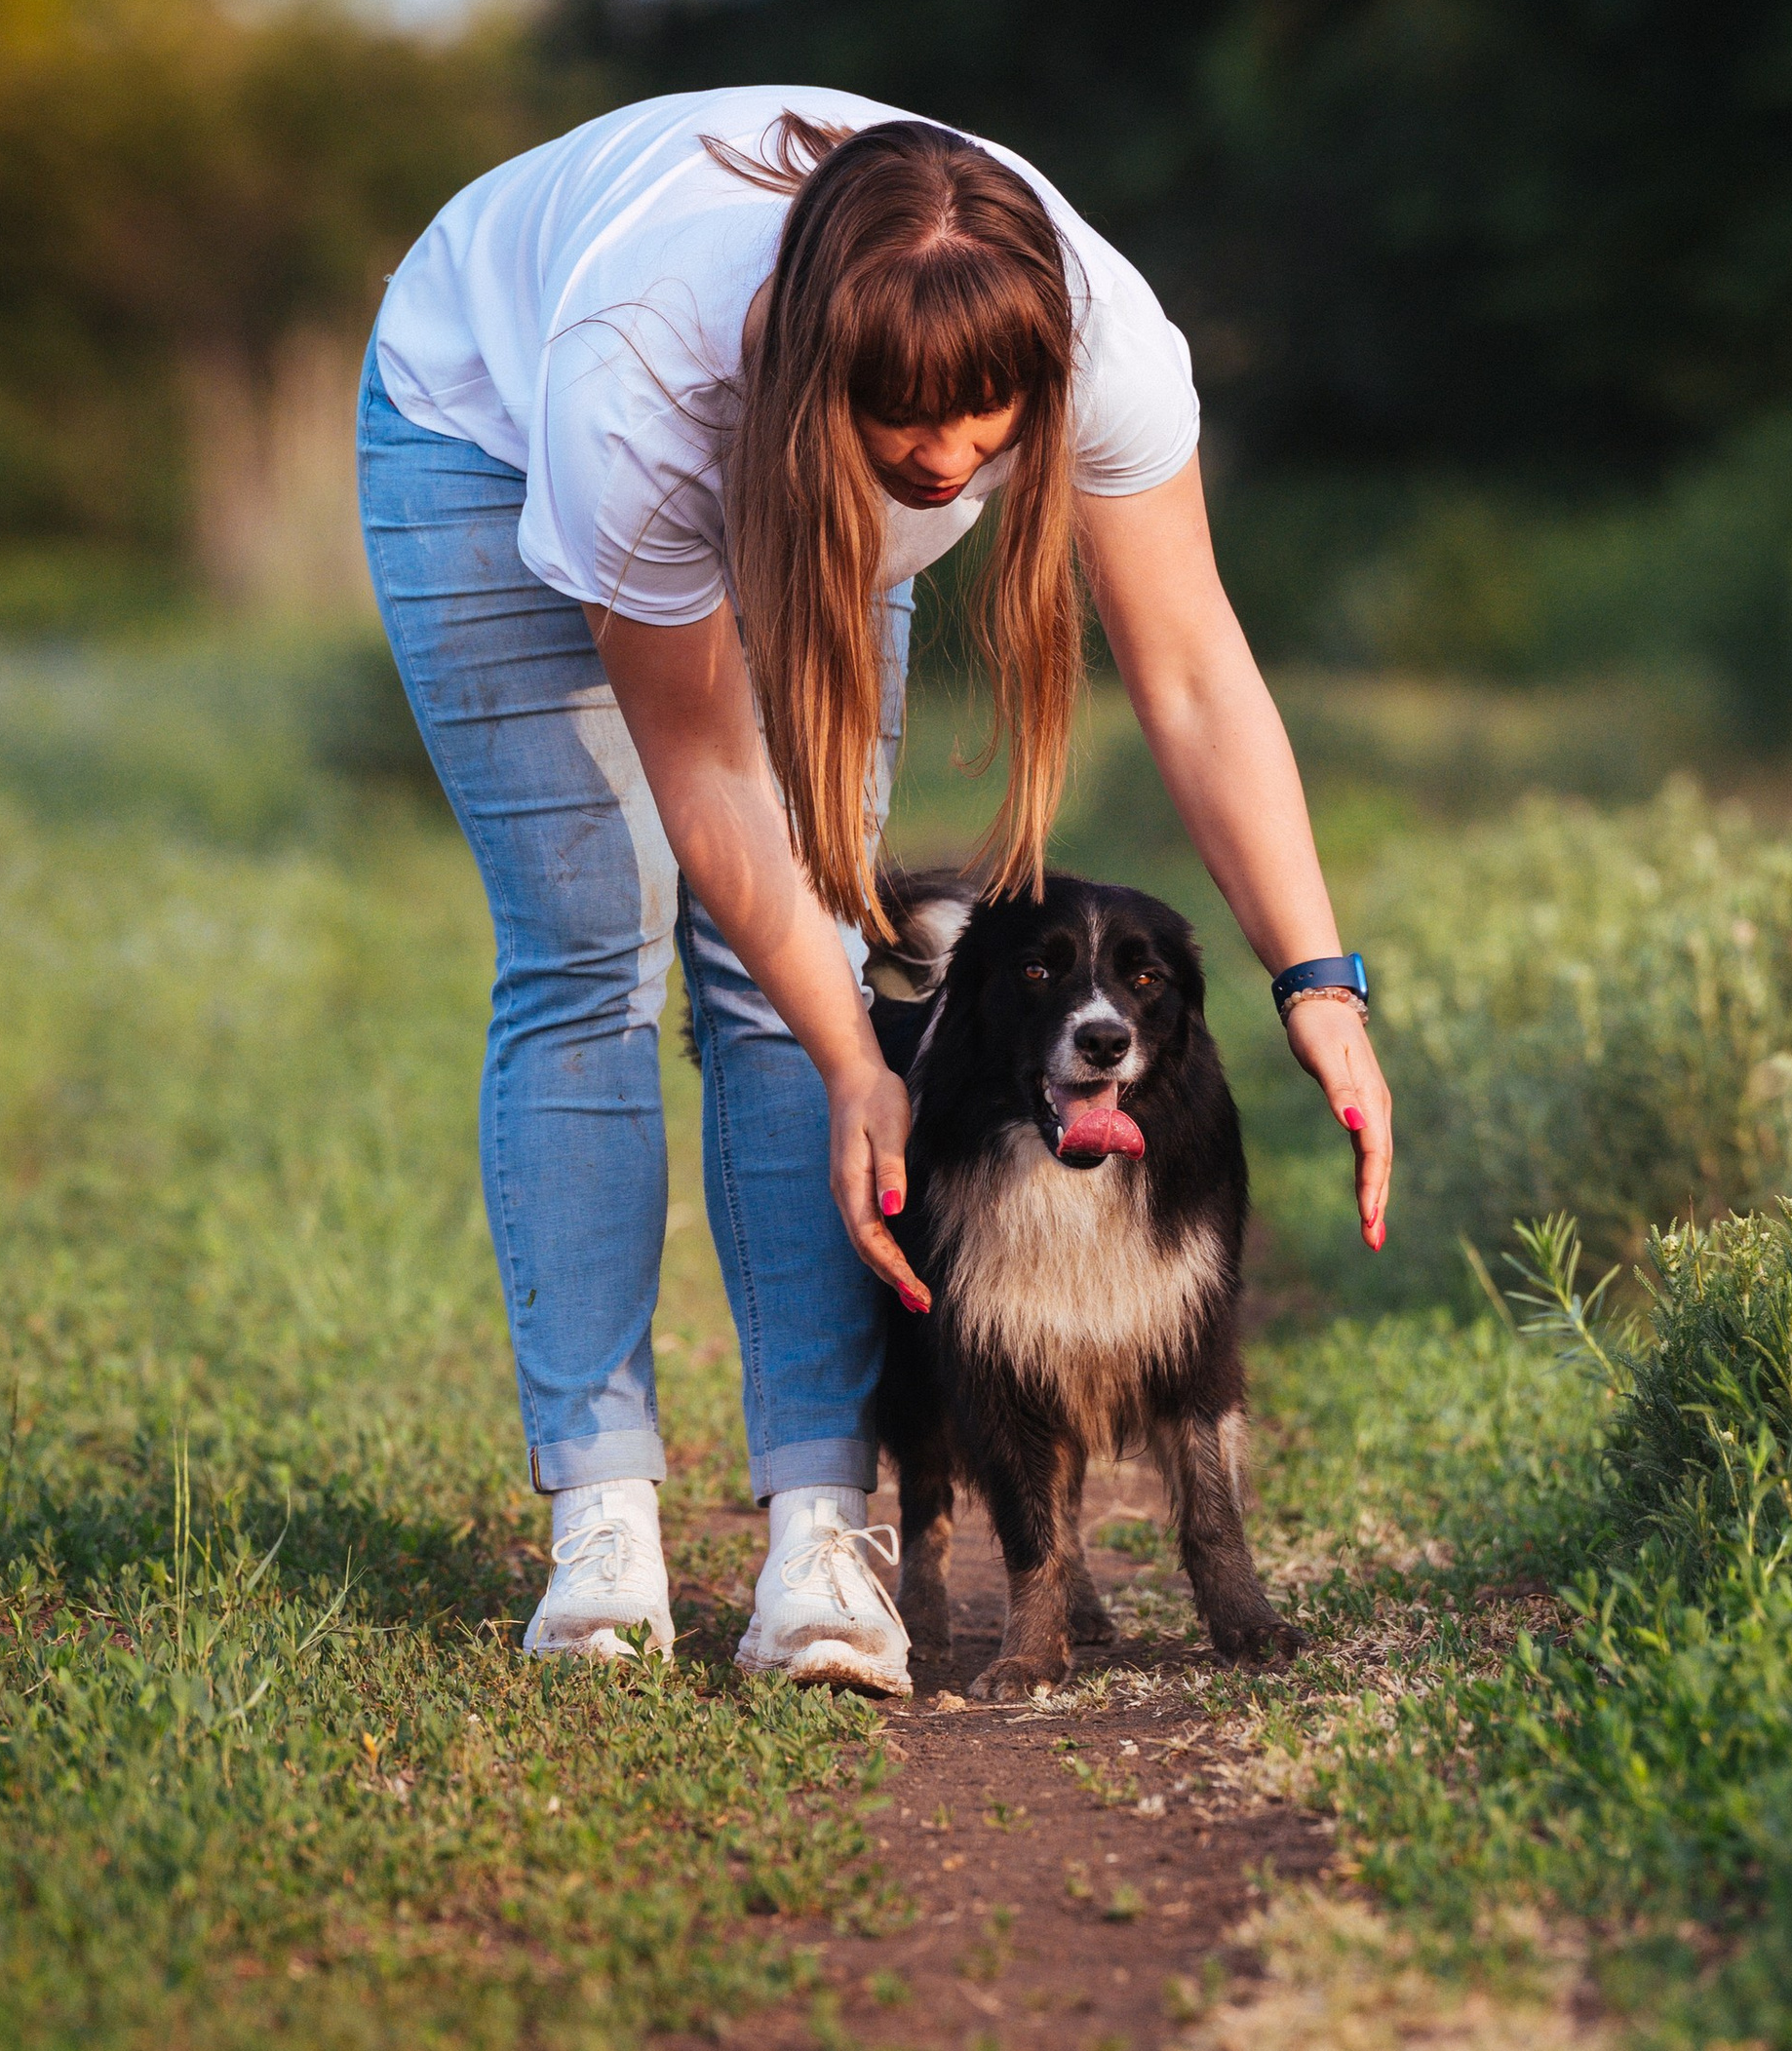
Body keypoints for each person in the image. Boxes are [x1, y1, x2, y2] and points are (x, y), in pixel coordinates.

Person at [359, 85, 1393, 1696]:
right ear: (806, 371)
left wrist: (1317, 980)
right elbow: (705, 775)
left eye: (988, 427)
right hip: (477, 424)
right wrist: (862, 1060)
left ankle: (817, 1526)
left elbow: (1193, 677)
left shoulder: (1101, 336)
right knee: (592, 954)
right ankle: (605, 1522)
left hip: (768, 466)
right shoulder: (637, 380)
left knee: (809, 971)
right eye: (901, 423)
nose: (948, 462)